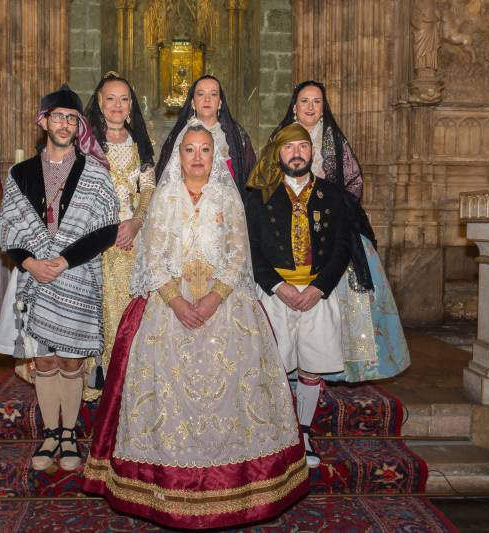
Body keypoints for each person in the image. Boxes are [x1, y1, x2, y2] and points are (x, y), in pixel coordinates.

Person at [83, 124, 308, 530]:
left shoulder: (227, 197)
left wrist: (213, 298)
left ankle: (238, 485)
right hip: (169, 304)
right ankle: (164, 485)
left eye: (205, 149)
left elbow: (239, 253)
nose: (198, 157)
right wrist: (175, 301)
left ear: (214, 156)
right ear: (179, 155)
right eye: (190, 149)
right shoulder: (165, 197)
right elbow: (151, 257)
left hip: (224, 302)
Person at [0, 85, 119, 472]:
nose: (63, 124)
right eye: (57, 116)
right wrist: (29, 263)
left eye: (71, 118)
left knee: (70, 360)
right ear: (44, 121)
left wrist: (64, 260)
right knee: (44, 361)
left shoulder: (95, 174)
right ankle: (50, 433)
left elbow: (107, 229)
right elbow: (6, 225)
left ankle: (69, 435)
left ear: (78, 125)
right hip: (35, 279)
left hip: (77, 275)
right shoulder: (21, 173)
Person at [270, 81, 410, 385]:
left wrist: (329, 207)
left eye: (316, 102)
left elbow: (354, 183)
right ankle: (290, 366)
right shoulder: (279, 140)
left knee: (347, 282)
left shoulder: (334, 140)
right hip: (289, 234)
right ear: (293, 106)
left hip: (330, 227)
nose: (309, 107)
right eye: (304, 101)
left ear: (323, 108)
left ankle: (341, 366)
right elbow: (266, 184)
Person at [246, 123, 352, 468]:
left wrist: (320, 287)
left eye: (302, 147)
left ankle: (303, 433)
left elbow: (342, 246)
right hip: (275, 294)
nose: (296, 154)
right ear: (279, 153)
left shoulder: (332, 195)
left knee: (311, 368)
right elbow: (250, 248)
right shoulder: (259, 195)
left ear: (312, 152)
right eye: (289, 148)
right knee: (275, 366)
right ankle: (278, 432)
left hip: (318, 294)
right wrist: (279, 287)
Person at [84, 72, 155, 398]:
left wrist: (137, 222)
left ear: (131, 105)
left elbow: (148, 187)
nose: (117, 105)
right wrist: (108, 229)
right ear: (100, 102)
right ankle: (95, 391)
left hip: (132, 241)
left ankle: (128, 390)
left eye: (123, 99)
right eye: (110, 98)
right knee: (98, 312)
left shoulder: (139, 141)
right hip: (94, 241)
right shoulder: (85, 143)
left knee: (130, 314)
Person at [155, 75, 256, 199]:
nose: (207, 99)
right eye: (201, 94)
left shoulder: (237, 136)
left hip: (227, 206)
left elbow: (250, 180)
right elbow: (166, 179)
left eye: (213, 94)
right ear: (193, 102)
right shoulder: (179, 136)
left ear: (220, 103)